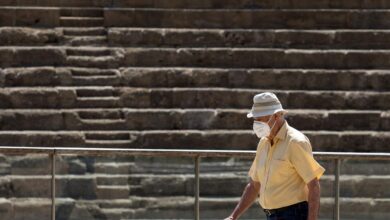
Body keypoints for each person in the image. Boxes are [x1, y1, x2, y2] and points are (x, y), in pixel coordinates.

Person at [225, 92, 325, 220]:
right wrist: (233, 216)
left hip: (294, 214)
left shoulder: (295, 142)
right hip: (271, 215)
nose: (257, 124)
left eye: (260, 119)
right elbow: (254, 185)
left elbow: (313, 185)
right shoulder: (263, 143)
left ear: (276, 116)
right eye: (255, 120)